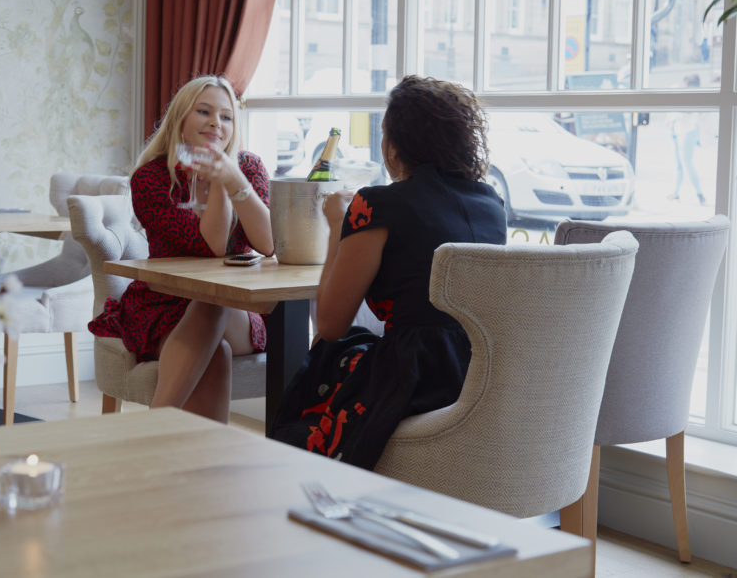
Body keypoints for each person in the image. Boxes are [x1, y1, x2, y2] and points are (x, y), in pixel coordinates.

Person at [268, 75, 507, 469]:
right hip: (479, 370)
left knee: (329, 356)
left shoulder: (377, 206)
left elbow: (329, 322)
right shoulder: (491, 203)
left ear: (394, 147)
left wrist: (336, 226)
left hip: (416, 376)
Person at [88, 75, 273, 423]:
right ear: (181, 119)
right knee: (214, 346)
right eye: (204, 111)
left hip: (236, 310)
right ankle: (196, 464)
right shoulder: (151, 178)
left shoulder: (248, 167)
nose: (216, 122)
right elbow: (212, 248)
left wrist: (232, 179)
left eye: (226, 116)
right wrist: (221, 180)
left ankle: (153, 425)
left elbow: (268, 243)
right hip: (164, 304)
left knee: (215, 299)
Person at [667, 74, 706, 206]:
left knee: (687, 163)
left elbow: (693, 115)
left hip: (687, 132)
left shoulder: (694, 96)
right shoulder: (678, 90)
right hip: (676, 132)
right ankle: (675, 192)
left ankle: (699, 193)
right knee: (678, 164)